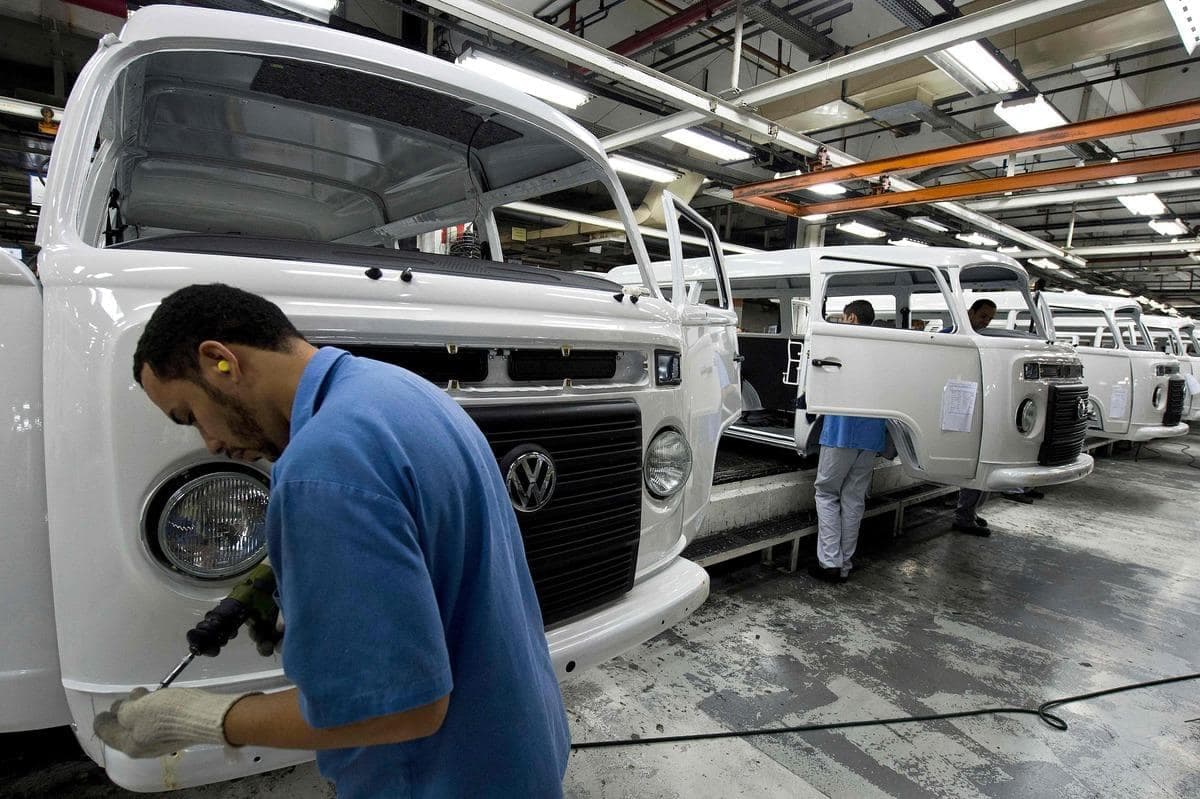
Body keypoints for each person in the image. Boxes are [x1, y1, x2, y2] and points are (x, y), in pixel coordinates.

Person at [94, 284, 570, 798]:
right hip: (518, 751)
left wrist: (203, 718)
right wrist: (321, 612)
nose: (210, 444)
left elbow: (399, 710)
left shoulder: (319, 470)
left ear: (219, 361)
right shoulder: (399, 391)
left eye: (189, 415)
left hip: (440, 780)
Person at [808, 299, 888, 584]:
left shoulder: (843, 347)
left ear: (852, 318)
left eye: (844, 318)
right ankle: (844, 563)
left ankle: (828, 563)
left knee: (827, 493)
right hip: (871, 437)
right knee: (853, 499)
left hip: (841, 432)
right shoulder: (885, 351)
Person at [952, 298, 999, 536]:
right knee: (976, 466)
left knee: (983, 466)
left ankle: (969, 512)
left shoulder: (982, 340)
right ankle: (964, 515)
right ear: (970, 312)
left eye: (990, 319)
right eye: (983, 316)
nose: (985, 322)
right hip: (958, 411)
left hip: (972, 411)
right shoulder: (951, 336)